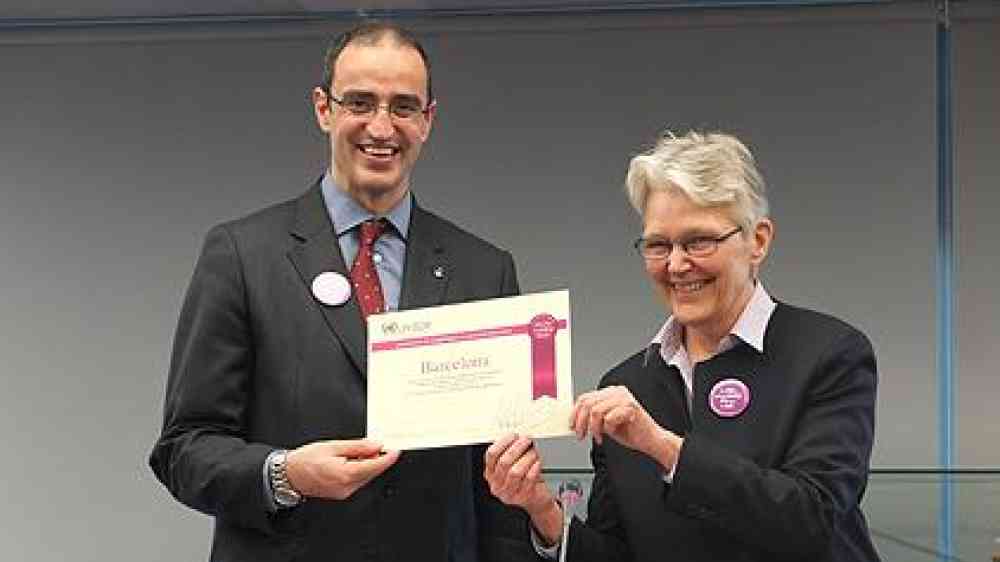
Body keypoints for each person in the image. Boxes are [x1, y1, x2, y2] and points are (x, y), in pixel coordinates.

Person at [150, 21, 533, 562]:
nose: (382, 126)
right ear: (323, 109)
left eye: (403, 107)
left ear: (428, 121)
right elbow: (184, 450)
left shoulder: (485, 272)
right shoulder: (242, 255)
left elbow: (499, 485)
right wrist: (287, 474)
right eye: (360, 102)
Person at [484, 131, 881, 562]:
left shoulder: (830, 355)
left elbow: (813, 517)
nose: (676, 264)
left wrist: (662, 446)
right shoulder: (627, 384)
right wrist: (542, 509)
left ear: (758, 241)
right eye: (658, 245)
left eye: (698, 241)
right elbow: (617, 553)